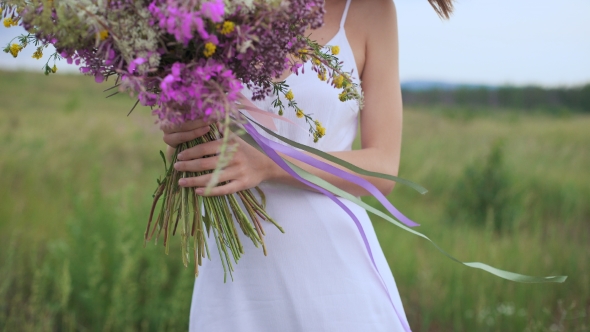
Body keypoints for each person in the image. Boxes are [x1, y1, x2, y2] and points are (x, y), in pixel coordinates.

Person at [162, 0, 453, 330]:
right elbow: (193, 144)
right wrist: (184, 132)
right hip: (235, 272)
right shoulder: (211, 9)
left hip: (333, 274)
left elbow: (383, 167)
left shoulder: (371, 10)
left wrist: (270, 165)